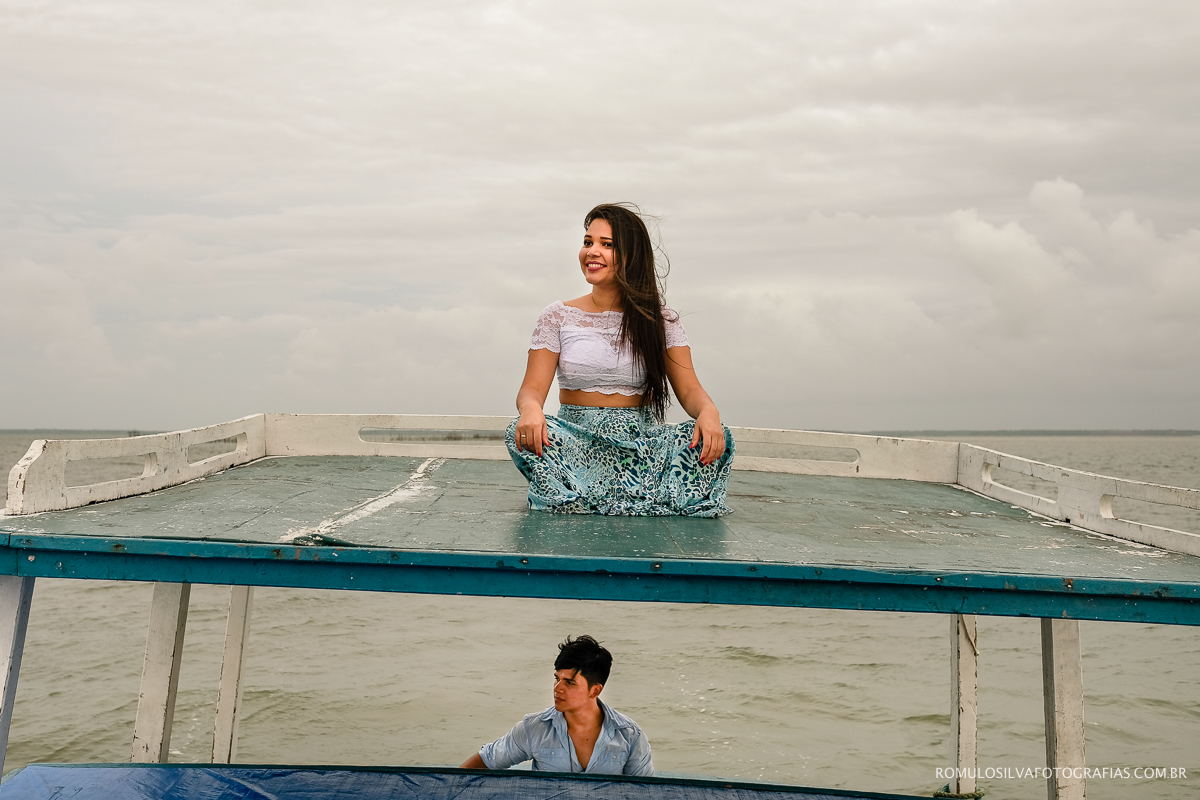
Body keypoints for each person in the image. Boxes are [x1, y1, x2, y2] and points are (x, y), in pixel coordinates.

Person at [506, 203, 734, 516]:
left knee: (713, 439)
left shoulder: (661, 321)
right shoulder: (558, 316)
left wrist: (709, 412)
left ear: (631, 256)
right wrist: (530, 409)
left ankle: (593, 496)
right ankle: (634, 496)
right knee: (515, 433)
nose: (592, 252)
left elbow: (690, 389)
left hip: (639, 445)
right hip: (579, 444)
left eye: (606, 245)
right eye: (588, 242)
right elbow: (531, 389)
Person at [460, 635, 653, 776]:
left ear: (595, 691)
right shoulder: (534, 728)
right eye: (556, 678)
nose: (557, 688)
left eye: (569, 682)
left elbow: (647, 793)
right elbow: (485, 761)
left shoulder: (629, 736)